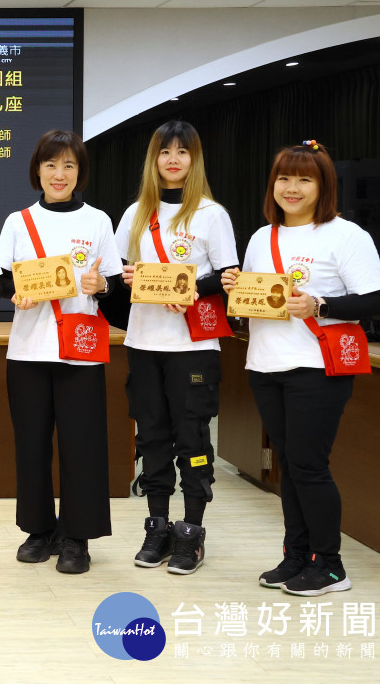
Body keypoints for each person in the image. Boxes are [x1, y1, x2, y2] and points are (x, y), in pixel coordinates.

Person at [223, 142, 380, 597]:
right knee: (289, 465)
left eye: (304, 179)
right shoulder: (262, 237)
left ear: (323, 185)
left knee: (310, 465)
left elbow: (375, 299)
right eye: (283, 178)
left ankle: (330, 564)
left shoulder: (345, 235)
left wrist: (321, 303)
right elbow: (255, 305)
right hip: (265, 363)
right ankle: (297, 555)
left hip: (317, 364)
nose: (291, 188)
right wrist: (235, 291)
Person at [0, 129, 121, 575]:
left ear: (80, 171)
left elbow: (117, 288)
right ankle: (39, 529)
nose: (59, 174)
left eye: (68, 165)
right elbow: (1, 280)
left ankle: (77, 537)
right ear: (37, 171)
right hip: (28, 349)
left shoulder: (99, 221)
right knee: (31, 445)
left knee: (81, 445)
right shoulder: (17, 221)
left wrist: (101, 285)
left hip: (80, 349)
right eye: (50, 165)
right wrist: (15, 296)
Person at [115, 120, 237, 575]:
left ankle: (192, 531)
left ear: (194, 159)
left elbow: (227, 277)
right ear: (153, 159)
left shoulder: (210, 214)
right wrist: (124, 278)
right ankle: (159, 525)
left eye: (182, 152)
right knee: (151, 436)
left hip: (193, 344)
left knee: (192, 437)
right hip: (144, 341)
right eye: (164, 152)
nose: (172, 159)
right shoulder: (134, 214)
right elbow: (117, 276)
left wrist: (185, 286)